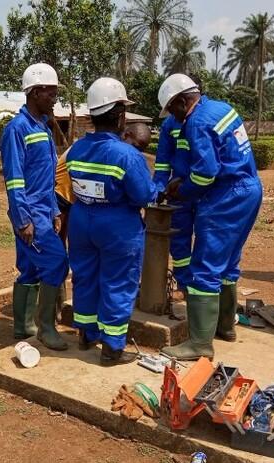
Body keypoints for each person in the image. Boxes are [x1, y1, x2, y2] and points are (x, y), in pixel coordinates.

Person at [157, 74, 263, 361]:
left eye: (173, 108)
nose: (173, 116)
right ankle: (225, 326)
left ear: (182, 101)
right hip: (249, 189)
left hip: (224, 197)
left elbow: (205, 173)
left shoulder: (196, 122)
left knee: (204, 267)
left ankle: (200, 343)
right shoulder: (221, 109)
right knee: (228, 263)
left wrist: (182, 191)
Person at [67, 77, 160, 365]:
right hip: (118, 226)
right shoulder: (126, 155)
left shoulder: (77, 149)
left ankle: (86, 334)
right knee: (118, 282)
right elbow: (144, 195)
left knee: (85, 277)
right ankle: (112, 348)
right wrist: (158, 188)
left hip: (81, 220)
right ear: (120, 116)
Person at [1, 63, 69, 351]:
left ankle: (22, 327)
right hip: (29, 212)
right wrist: (23, 219)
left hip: (43, 209)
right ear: (34, 91)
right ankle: (45, 328)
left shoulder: (42, 126)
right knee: (56, 262)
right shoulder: (17, 129)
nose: (54, 97)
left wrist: (54, 210)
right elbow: (14, 180)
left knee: (30, 268)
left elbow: (47, 175)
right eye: (51, 92)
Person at [153, 112, 194, 297]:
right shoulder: (170, 124)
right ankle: (184, 285)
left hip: (205, 190)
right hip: (177, 192)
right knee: (178, 241)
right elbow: (162, 162)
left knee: (207, 239)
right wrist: (159, 189)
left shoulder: (206, 119)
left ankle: (201, 287)